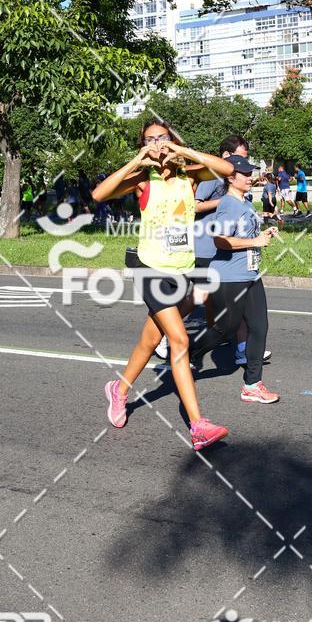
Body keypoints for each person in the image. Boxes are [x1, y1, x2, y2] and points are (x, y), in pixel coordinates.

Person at [92, 119, 234, 450]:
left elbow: (226, 168)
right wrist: (136, 161)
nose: (157, 143)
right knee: (179, 340)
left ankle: (119, 389)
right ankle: (198, 426)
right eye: (150, 139)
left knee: (148, 340)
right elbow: (99, 194)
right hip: (150, 270)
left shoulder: (189, 174)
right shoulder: (142, 179)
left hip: (182, 270)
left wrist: (182, 151)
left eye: (163, 138)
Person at [189, 155, 280, 403]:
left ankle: (252, 384)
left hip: (250, 275)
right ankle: (188, 351)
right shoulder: (228, 204)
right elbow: (220, 240)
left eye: (251, 173)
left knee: (259, 328)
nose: (251, 177)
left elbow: (243, 231)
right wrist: (255, 242)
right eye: (246, 174)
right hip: (229, 277)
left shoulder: (245, 202)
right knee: (224, 329)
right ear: (231, 177)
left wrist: (264, 233)